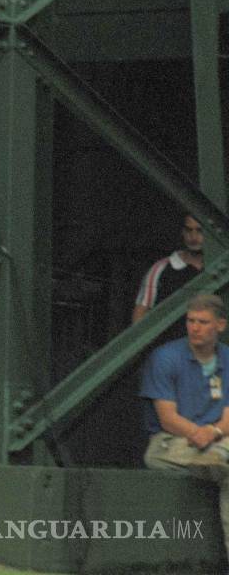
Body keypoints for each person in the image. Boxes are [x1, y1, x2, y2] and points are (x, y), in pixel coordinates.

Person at [140, 294, 229, 562]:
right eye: (190, 321)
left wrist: (212, 433)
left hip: (219, 439)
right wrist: (197, 434)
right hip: (173, 441)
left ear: (220, 326)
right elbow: (167, 418)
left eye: (203, 322)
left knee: (223, 460)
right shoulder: (166, 356)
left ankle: (217, 460)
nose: (195, 327)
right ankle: (216, 461)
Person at [133, 213, 205, 338]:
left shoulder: (220, 269)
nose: (193, 236)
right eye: (189, 230)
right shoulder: (160, 268)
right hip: (168, 351)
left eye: (199, 230)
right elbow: (141, 312)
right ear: (182, 232)